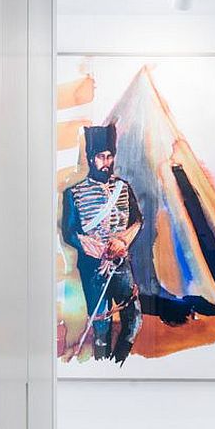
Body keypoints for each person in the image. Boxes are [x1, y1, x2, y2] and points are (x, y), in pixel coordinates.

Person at [61, 123, 144, 364]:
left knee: (134, 319)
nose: (106, 162)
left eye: (109, 157)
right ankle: (102, 364)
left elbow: (137, 220)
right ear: (90, 158)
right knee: (101, 326)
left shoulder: (123, 188)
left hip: (121, 266)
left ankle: (119, 362)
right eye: (101, 157)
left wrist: (122, 240)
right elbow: (69, 231)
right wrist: (90, 245)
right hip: (92, 268)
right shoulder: (73, 194)